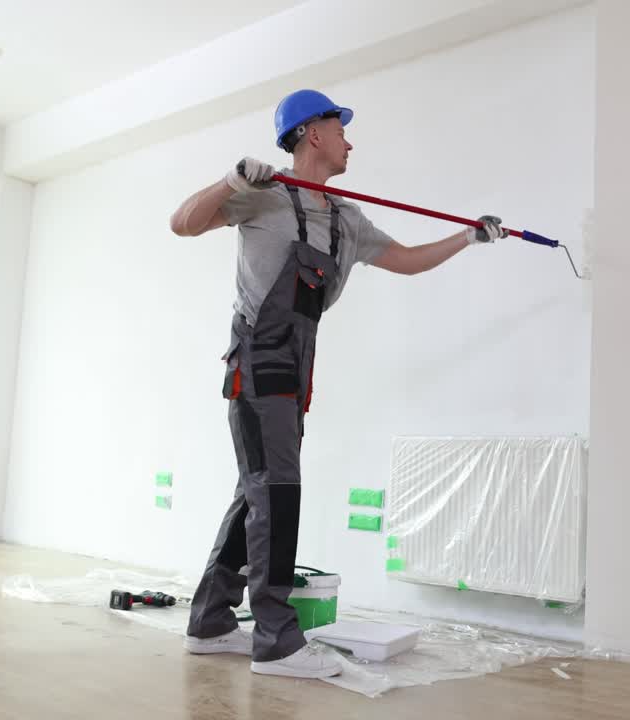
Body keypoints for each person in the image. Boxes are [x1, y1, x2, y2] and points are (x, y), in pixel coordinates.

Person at [167, 89, 505, 678]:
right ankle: (276, 641)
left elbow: (407, 259)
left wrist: (468, 238)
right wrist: (230, 180)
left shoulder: (347, 219)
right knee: (277, 492)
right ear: (312, 133)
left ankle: (210, 622)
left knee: (257, 493)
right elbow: (183, 224)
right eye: (340, 128)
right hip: (258, 362)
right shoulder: (264, 194)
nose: (350, 141)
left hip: (296, 368)